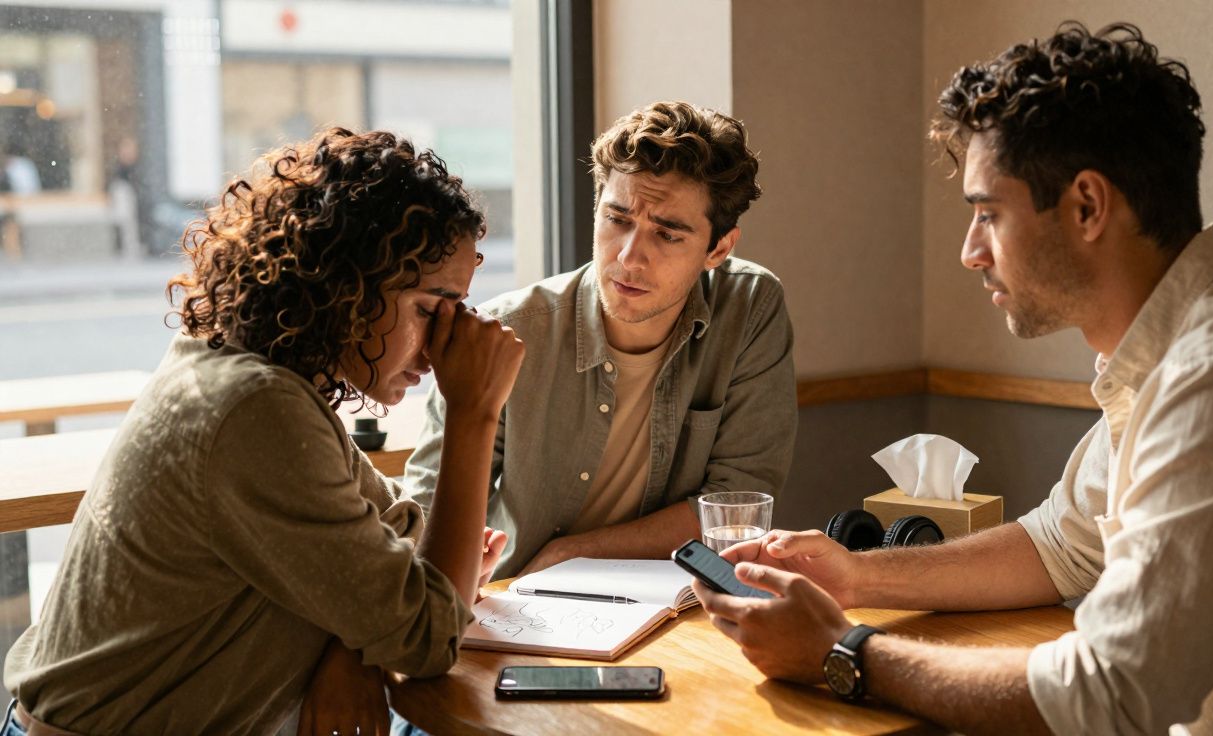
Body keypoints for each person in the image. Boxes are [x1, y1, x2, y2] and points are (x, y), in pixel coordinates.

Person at [694, 22, 1213, 735]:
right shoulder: (1173, 347)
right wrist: (857, 576)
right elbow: (1060, 544)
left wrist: (842, 652)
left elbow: (1112, 693)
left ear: (1087, 206)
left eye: (987, 213)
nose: (970, 252)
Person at [2, 128, 524, 735]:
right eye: (430, 310)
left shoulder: (264, 377)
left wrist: (351, 647)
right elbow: (426, 634)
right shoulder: (256, 409)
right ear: (345, 283)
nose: (439, 351)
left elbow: (390, 538)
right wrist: (474, 412)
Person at [405, 101, 797, 577]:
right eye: (618, 220)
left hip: (680, 599)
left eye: (667, 235)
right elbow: (423, 514)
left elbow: (736, 505)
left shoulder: (749, 306)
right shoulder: (510, 330)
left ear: (718, 247)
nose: (630, 258)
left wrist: (575, 554)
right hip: (523, 604)